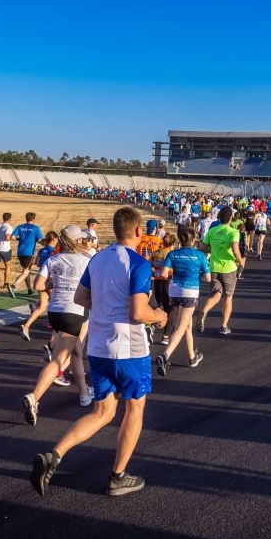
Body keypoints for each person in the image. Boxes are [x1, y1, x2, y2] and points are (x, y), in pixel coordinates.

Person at [29, 206, 168, 498]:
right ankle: (118, 476)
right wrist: (159, 316)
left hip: (99, 346)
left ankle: (55, 455)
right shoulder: (138, 263)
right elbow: (138, 312)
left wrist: (106, 305)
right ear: (138, 231)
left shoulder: (97, 259)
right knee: (134, 409)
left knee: (102, 411)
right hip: (129, 347)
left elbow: (81, 297)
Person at [21, 225, 95, 421]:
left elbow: (38, 285)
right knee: (58, 359)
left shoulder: (53, 259)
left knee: (76, 351)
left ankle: (84, 393)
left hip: (54, 312)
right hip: (74, 311)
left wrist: (56, 282)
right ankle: (34, 397)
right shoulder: (86, 260)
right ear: (78, 241)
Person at [157, 226, 211, 375]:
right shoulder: (200, 255)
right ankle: (165, 356)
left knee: (187, 324)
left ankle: (192, 357)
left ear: (180, 241)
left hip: (174, 291)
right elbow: (208, 278)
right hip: (190, 292)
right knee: (181, 326)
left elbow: (163, 274)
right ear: (193, 240)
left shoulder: (172, 254)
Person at [197, 207, 244, 335]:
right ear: (230, 218)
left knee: (216, 295)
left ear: (219, 218)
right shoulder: (233, 232)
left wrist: (214, 250)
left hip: (214, 267)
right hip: (229, 268)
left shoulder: (212, 231)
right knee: (228, 297)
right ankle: (224, 326)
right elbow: (235, 250)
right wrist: (241, 261)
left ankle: (204, 311)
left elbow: (203, 247)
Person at [11, 212, 44, 295]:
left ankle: (29, 289)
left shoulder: (20, 227)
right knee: (25, 272)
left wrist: (20, 239)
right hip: (29, 253)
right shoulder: (35, 228)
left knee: (25, 271)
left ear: (26, 218)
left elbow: (12, 237)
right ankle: (14, 285)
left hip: (20, 252)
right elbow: (40, 240)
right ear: (34, 219)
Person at [0, 213, 15, 297]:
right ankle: (6, 283)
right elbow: (7, 237)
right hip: (5, 249)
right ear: (10, 218)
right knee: (8, 265)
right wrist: (14, 238)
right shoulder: (9, 227)